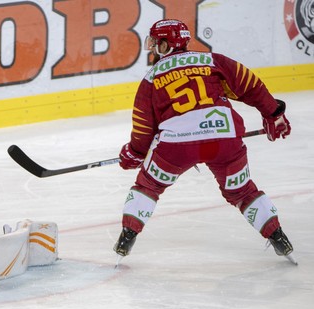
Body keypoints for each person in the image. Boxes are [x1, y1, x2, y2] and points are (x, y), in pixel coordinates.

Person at [114, 19, 295, 263]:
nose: (154, 47)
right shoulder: (212, 60)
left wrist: (135, 152)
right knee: (242, 191)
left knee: (149, 186)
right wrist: (273, 113)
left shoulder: (152, 77)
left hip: (175, 147)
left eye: (157, 42)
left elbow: (144, 125)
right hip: (224, 139)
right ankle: (278, 236)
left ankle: (128, 235)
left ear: (167, 45)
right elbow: (250, 85)